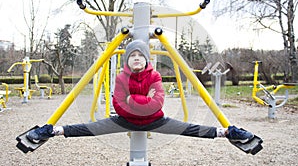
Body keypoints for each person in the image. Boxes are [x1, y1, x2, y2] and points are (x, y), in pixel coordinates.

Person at [26, 40, 254, 144]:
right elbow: (118, 105)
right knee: (89, 128)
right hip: (124, 121)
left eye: (140, 56)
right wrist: (140, 101)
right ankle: (50, 131)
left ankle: (229, 132)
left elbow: (158, 103)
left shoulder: (154, 76)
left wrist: (132, 99)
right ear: (128, 59)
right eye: (132, 55)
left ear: (146, 60)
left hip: (155, 121)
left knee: (191, 129)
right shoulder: (122, 77)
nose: (136, 58)